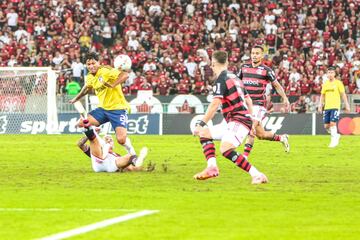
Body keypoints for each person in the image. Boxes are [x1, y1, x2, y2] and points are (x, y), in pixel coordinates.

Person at [193, 50, 268, 184]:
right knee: (205, 134)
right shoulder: (236, 78)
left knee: (225, 148)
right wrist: (252, 120)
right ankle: (211, 167)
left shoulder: (221, 80)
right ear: (227, 62)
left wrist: (201, 123)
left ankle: (257, 174)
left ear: (213, 63)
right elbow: (249, 100)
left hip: (239, 120)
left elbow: (215, 104)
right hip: (236, 120)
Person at [69, 52, 137, 159]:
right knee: (81, 124)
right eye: (88, 64)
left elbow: (125, 75)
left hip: (117, 109)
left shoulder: (106, 70)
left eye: (93, 63)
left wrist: (113, 84)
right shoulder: (90, 77)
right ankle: (101, 142)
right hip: (103, 110)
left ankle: (133, 154)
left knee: (121, 140)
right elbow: (87, 88)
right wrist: (76, 98)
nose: (91, 66)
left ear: (99, 62)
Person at [238, 45, 290, 160]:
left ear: (261, 56)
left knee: (251, 126)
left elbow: (276, 85)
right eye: (252, 53)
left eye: (257, 53)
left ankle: (244, 157)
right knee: (261, 135)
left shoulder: (266, 70)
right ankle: (282, 138)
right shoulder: (244, 67)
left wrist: (285, 98)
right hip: (246, 104)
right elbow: (237, 83)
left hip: (259, 104)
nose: (254, 55)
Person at [78, 122, 148, 172]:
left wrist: (144, 169)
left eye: (110, 140)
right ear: (103, 141)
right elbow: (80, 144)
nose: (109, 140)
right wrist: (88, 136)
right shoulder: (99, 148)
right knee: (94, 141)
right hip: (99, 162)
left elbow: (129, 168)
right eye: (106, 139)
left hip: (112, 165)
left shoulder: (116, 156)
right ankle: (89, 131)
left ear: (113, 144)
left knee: (130, 157)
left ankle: (136, 160)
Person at [318, 66, 350, 148]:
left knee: (332, 123)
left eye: (332, 72)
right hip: (327, 107)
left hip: (335, 106)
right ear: (327, 74)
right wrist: (320, 105)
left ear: (335, 74)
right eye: (329, 72)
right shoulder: (325, 84)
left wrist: (347, 104)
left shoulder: (338, 83)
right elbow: (322, 95)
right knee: (326, 126)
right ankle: (336, 135)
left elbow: (343, 94)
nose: (330, 74)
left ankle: (333, 141)